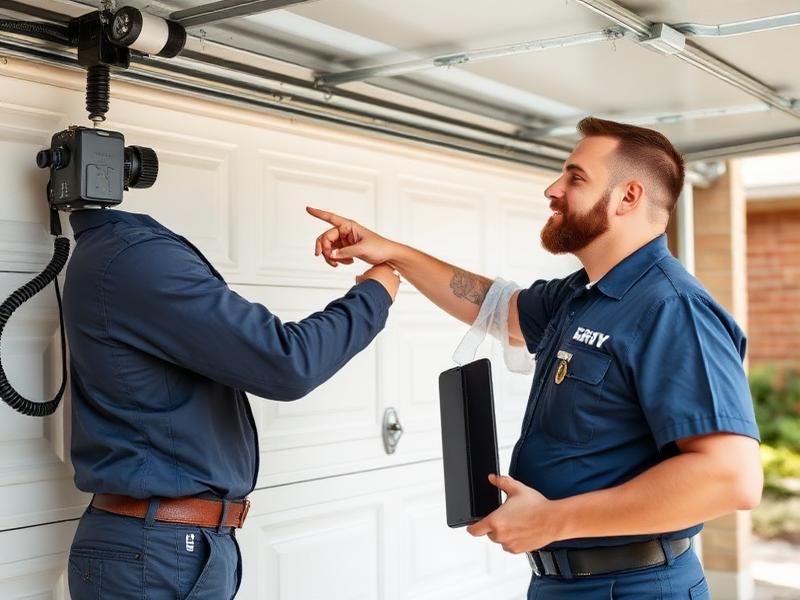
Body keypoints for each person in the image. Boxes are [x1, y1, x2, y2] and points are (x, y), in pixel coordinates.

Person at [306, 117, 763, 599]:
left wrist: (551, 520)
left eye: (575, 176)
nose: (553, 188)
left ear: (629, 196)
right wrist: (392, 253)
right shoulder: (581, 294)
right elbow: (494, 306)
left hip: (633, 586)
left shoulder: (673, 309)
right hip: (558, 581)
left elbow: (729, 477)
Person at [63, 208, 399, 600]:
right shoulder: (135, 259)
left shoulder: (119, 255)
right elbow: (287, 362)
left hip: (166, 546)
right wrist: (374, 294)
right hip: (157, 552)